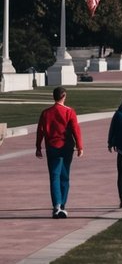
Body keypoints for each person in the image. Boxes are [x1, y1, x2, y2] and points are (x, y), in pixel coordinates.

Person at [36, 86, 84, 218]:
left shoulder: (46, 113)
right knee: (65, 175)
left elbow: (40, 130)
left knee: (54, 176)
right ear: (64, 96)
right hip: (66, 147)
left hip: (52, 147)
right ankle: (62, 204)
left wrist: (38, 147)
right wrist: (80, 147)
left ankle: (57, 205)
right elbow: (76, 130)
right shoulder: (69, 112)